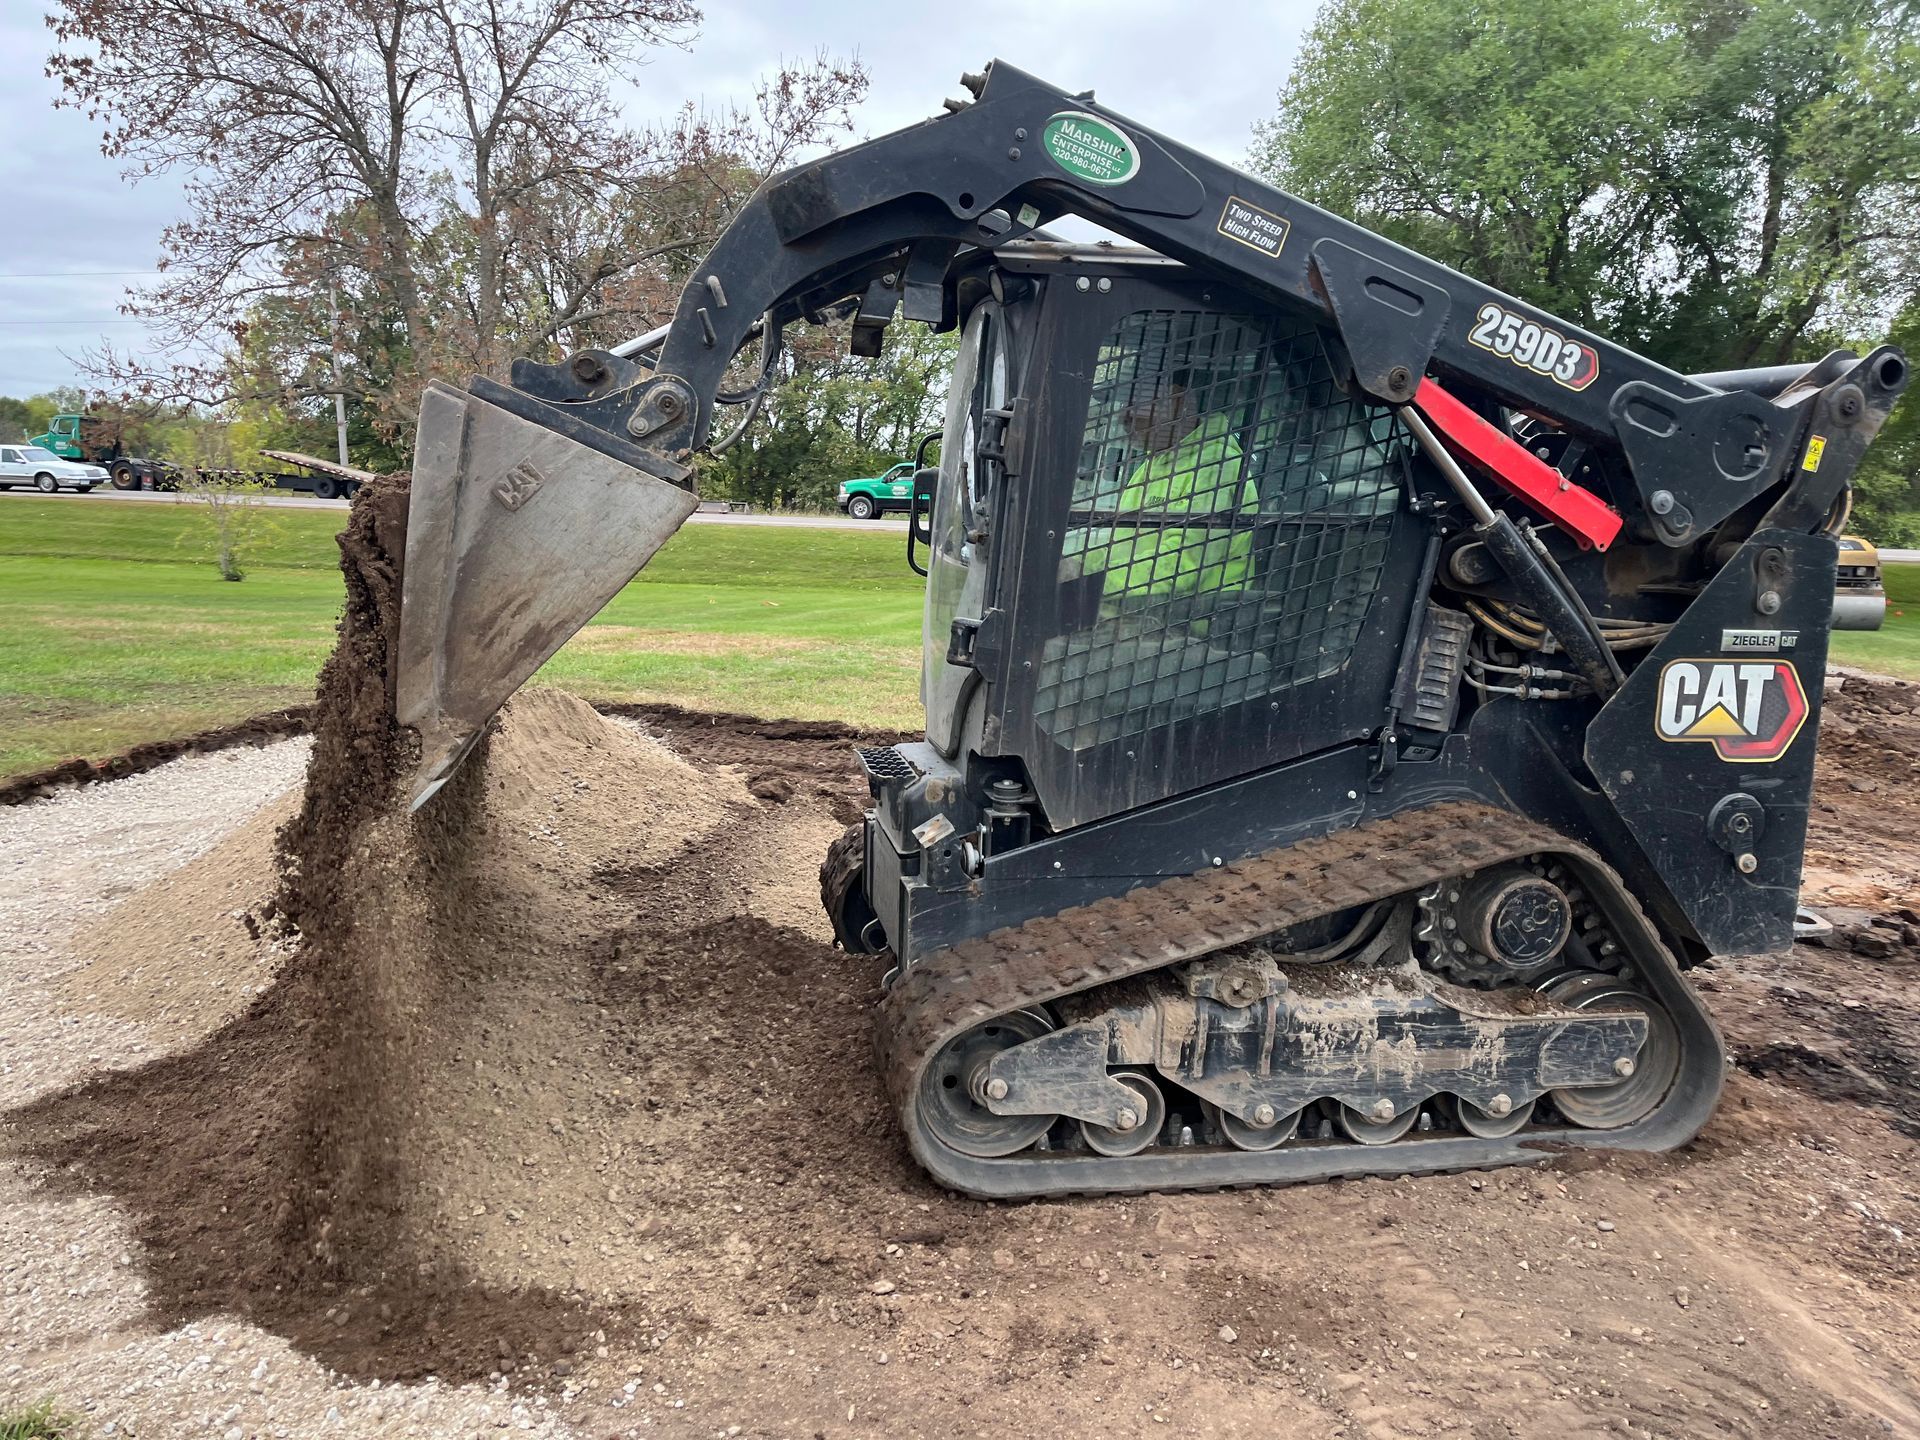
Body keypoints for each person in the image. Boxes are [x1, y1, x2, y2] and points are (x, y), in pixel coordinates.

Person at [1077, 368, 1260, 624]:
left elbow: (1182, 566)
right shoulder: (1154, 463)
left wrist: (1093, 582)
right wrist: (1076, 565)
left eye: (1136, 405)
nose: (1124, 417)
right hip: (1139, 611)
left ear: (1178, 402)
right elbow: (1119, 544)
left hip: (1190, 624)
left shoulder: (1217, 467)